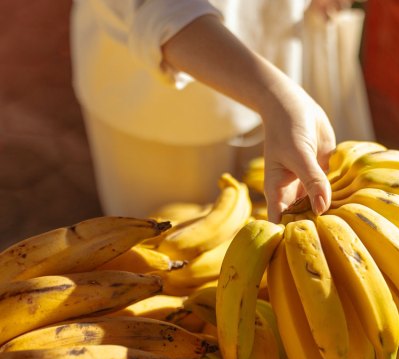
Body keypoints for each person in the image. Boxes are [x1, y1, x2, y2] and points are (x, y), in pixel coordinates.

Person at [70, 0, 355, 223]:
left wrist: (278, 100)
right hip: (158, 111)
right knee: (166, 256)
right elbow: (160, 9)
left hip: (280, 66)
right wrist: (276, 97)